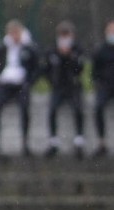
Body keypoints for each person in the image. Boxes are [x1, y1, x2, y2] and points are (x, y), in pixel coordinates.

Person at [0, 19, 40, 157]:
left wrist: (28, 82)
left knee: (24, 108)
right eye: (12, 33)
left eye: (17, 33)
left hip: (22, 85)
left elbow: (36, 69)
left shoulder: (29, 48)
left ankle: (25, 143)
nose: (15, 36)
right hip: (5, 84)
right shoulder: (2, 48)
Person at [41, 20, 87, 158]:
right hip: (58, 87)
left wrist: (69, 56)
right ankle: (53, 142)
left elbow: (80, 69)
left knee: (78, 109)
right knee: (52, 110)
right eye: (63, 35)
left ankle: (79, 141)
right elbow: (46, 69)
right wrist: (52, 81)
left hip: (73, 86)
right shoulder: (52, 50)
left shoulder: (78, 49)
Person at [91, 19, 114, 156]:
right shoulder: (101, 50)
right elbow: (94, 71)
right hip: (105, 86)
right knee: (98, 107)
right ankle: (101, 142)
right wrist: (99, 83)